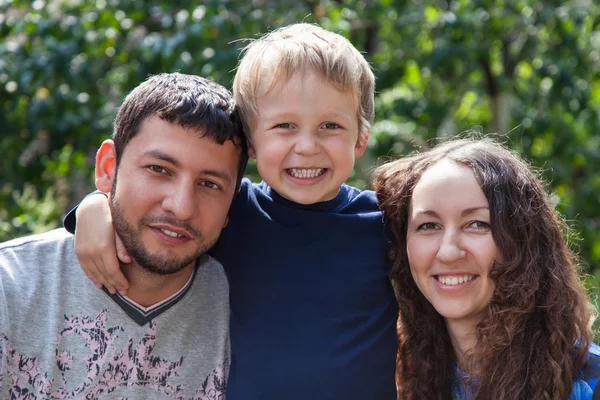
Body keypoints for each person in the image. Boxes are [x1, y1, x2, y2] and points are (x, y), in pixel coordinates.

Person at [63, 24, 398, 399]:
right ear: (251, 141)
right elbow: (145, 209)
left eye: (330, 126)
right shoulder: (233, 211)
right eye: (284, 126)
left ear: (361, 137)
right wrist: (93, 208)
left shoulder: (385, 224)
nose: (306, 146)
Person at [0, 72, 248, 399]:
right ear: (107, 168)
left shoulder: (247, 307)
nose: (182, 207)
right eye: (159, 169)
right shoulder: (10, 287)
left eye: (210, 184)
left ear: (233, 201)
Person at [371, 138, 600, 400]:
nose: (448, 252)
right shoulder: (392, 378)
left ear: (524, 242)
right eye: (428, 226)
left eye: (477, 224)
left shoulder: (590, 383)